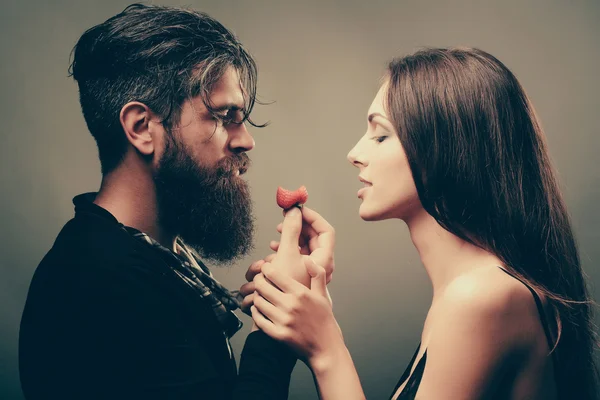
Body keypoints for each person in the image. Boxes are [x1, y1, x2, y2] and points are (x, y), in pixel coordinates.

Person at [18, 4, 333, 399]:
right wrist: (276, 330)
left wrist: (278, 299)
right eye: (223, 116)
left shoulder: (157, 257)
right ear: (141, 128)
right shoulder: (97, 281)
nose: (245, 140)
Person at [247, 48, 598, 399]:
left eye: (381, 135)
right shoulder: (469, 294)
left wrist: (327, 351)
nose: (354, 153)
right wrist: (312, 313)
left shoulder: (480, 298)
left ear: (443, 148)